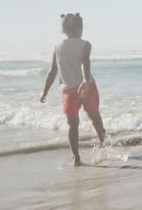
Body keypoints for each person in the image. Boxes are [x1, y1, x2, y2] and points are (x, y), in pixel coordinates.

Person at [40, 13, 105, 166]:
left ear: (63, 29)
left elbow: (52, 72)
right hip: (87, 87)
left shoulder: (57, 47)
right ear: (80, 28)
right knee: (95, 116)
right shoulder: (85, 44)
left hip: (68, 90)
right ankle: (103, 142)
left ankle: (76, 157)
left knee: (72, 125)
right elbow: (85, 63)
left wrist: (45, 91)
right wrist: (84, 80)